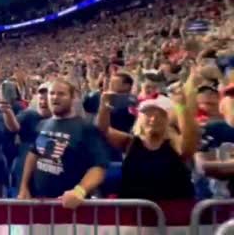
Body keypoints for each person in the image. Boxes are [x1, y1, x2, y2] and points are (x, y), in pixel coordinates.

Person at [95, 77, 199, 200]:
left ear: (167, 120)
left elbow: (189, 140)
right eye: (148, 114)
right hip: (135, 211)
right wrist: (104, 107)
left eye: (159, 115)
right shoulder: (130, 142)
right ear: (139, 119)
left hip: (172, 212)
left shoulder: (174, 144)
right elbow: (103, 130)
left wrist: (181, 107)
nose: (153, 119)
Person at [18, 79, 109, 209]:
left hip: (70, 207)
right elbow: (33, 154)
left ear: (73, 98)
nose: (55, 97)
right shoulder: (43, 124)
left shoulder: (85, 127)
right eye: (52, 93)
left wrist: (79, 191)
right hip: (39, 203)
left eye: (61, 94)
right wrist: (24, 186)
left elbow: (99, 167)